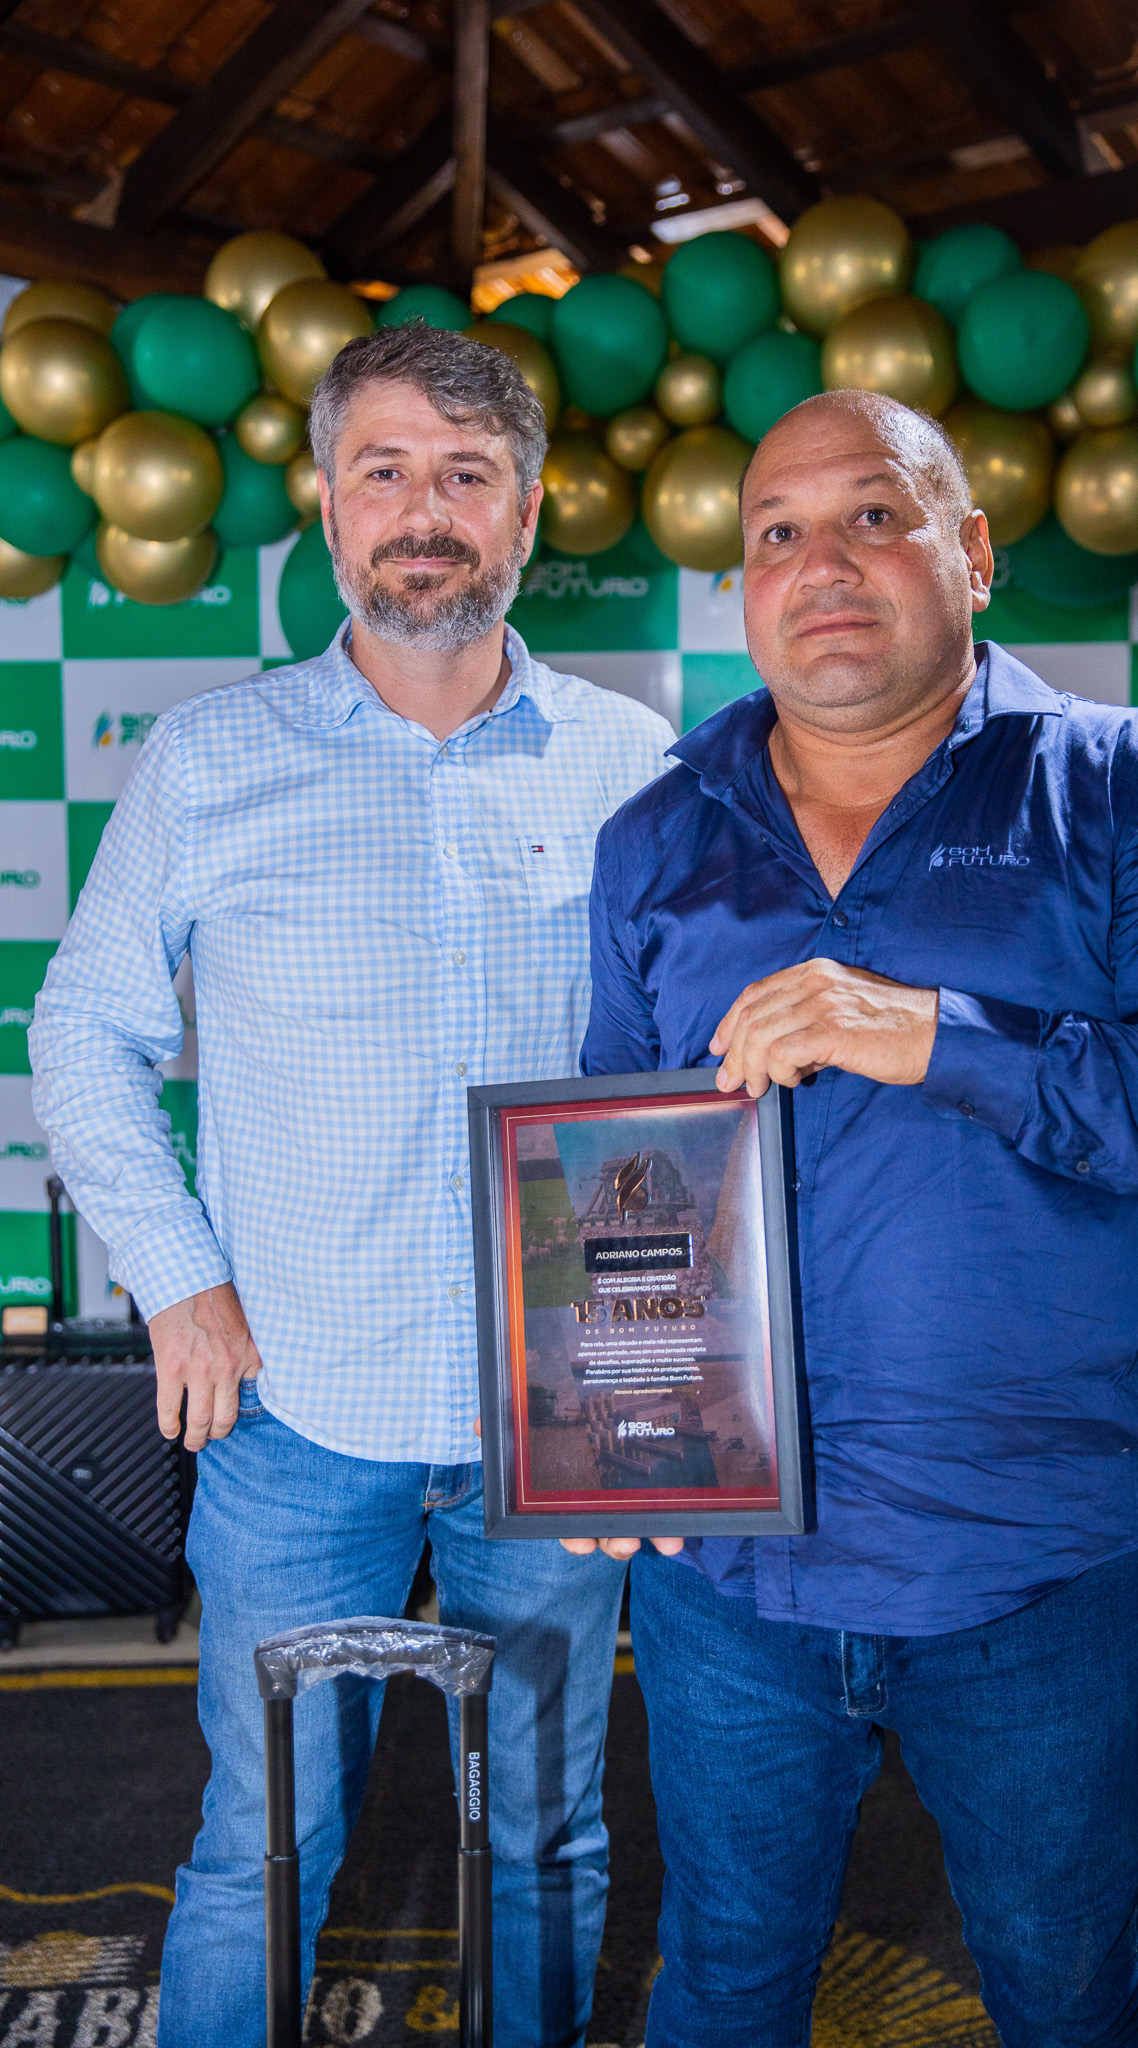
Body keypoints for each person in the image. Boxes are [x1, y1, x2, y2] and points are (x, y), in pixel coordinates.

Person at [568, 388, 1138, 2048]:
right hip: (733, 1580)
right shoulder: (655, 837)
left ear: (972, 552)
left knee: (1064, 1994)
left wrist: (941, 1038)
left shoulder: (1130, 791)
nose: (821, 563)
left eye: (874, 514)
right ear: (742, 584)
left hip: (1034, 1569)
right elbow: (626, 1173)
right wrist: (610, 1429)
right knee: (720, 1985)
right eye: (776, 532)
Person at [30, 323, 674, 2048]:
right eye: (383, 470)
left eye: (466, 475)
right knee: (261, 1849)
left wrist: (666, 1370)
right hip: (296, 1406)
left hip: (558, 1421)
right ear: (326, 506)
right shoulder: (210, 758)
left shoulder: (636, 764)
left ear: (527, 512)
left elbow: (685, 1091)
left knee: (544, 1837)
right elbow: (81, 1032)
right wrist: (177, 1276)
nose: (423, 511)